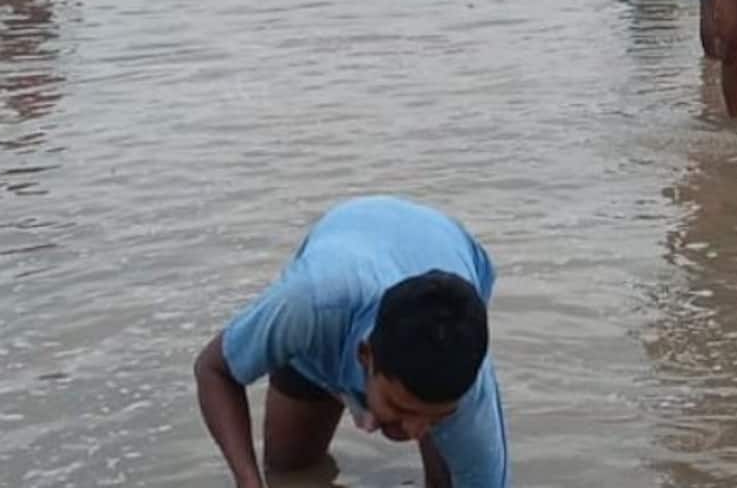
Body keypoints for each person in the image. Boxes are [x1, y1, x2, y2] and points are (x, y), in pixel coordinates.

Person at [193, 196, 509, 488]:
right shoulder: (307, 307)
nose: (414, 432)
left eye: (437, 416)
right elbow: (213, 370)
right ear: (365, 355)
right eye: (400, 406)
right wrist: (247, 483)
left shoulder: (470, 390)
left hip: (446, 246)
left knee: (448, 480)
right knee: (289, 472)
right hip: (344, 263)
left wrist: (427, 417)